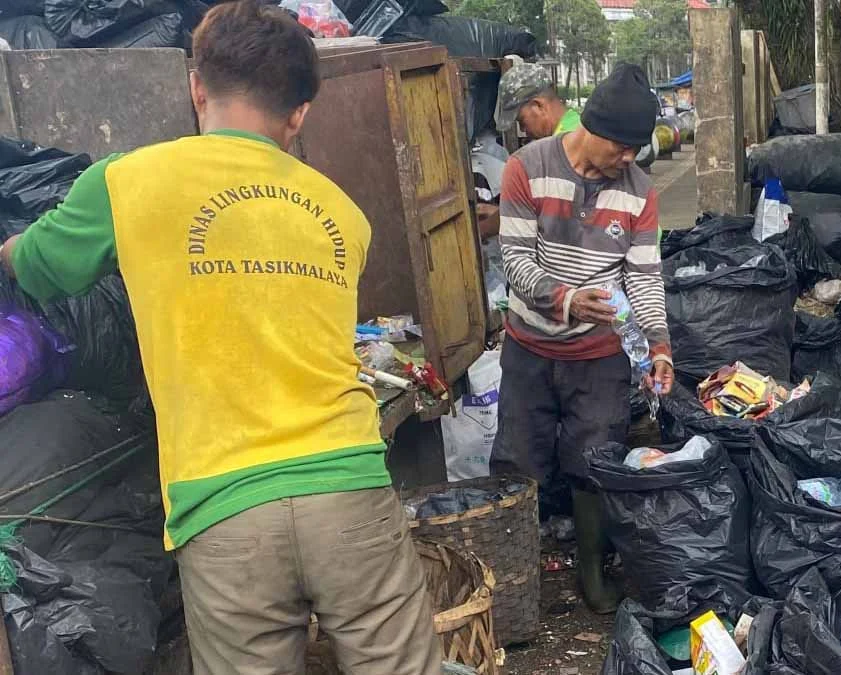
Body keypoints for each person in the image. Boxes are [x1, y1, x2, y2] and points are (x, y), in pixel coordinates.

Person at [0, 2, 441, 673]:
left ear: (196, 87)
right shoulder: (342, 214)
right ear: (299, 114)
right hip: (350, 489)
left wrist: (10, 249)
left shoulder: (126, 181)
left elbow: (42, 267)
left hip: (224, 508)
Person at [489, 64, 673, 614]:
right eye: (623, 147)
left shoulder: (640, 194)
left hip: (598, 357)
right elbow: (515, 260)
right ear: (594, 126)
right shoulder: (527, 168)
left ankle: (593, 577)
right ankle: (511, 582)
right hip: (530, 348)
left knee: (594, 463)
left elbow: (642, 277)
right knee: (518, 461)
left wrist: (659, 346)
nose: (630, 159)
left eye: (637, 149)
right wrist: (566, 299)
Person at [476, 62, 581, 240]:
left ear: (538, 106)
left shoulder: (561, 146)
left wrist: (481, 230)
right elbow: (536, 207)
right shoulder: (576, 123)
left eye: (522, 121)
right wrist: (498, 212)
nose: (524, 130)